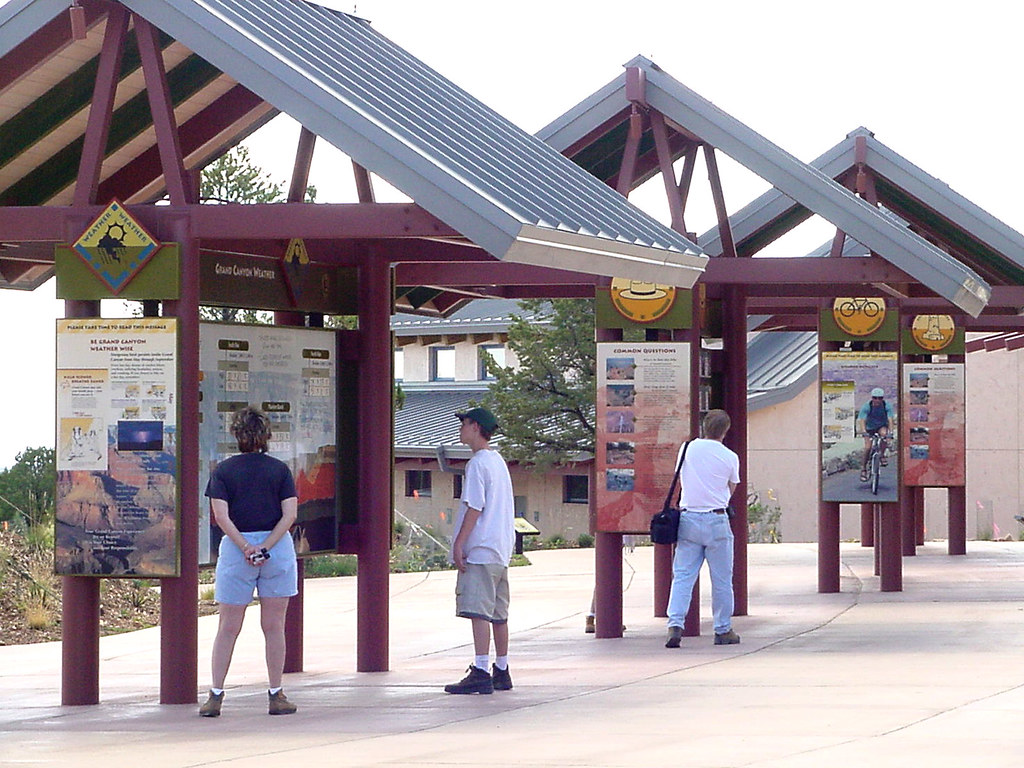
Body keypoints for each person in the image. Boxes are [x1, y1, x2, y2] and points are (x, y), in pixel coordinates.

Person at [199, 406, 299, 717]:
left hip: (236, 549)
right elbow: (290, 515)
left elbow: (220, 516)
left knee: (228, 626)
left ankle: (215, 695)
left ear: (237, 435)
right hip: (276, 548)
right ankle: (275, 692)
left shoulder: (223, 471)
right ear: (266, 436)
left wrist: (245, 547)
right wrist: (266, 547)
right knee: (274, 625)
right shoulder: (280, 470)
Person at [444, 407, 516, 694]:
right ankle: (502, 668)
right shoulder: (498, 462)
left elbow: (475, 506)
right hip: (501, 549)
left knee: (478, 611)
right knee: (499, 614)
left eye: (464, 423)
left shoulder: (477, 464)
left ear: (475, 427)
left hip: (482, 550)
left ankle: (481, 669)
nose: (460, 428)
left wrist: (459, 543)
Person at [665, 409, 741, 649]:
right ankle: (722, 629)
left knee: (683, 575)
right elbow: (731, 488)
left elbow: (681, 477)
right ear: (726, 430)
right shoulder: (730, 456)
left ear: (703, 427)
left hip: (689, 518)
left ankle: (675, 624)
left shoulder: (687, 449)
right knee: (721, 579)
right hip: (717, 519)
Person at [857, 387, 894, 482]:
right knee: (868, 447)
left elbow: (890, 420)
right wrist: (864, 432)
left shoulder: (887, 406)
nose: (877, 400)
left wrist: (891, 433)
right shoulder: (867, 406)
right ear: (872, 398)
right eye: (875, 398)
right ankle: (864, 469)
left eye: (880, 398)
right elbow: (862, 420)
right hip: (869, 428)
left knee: (884, 435)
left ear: (883, 398)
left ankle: (881, 455)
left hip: (881, 426)